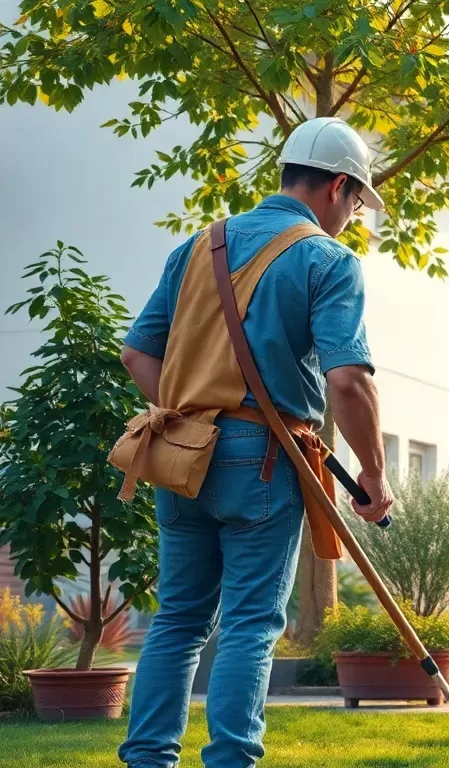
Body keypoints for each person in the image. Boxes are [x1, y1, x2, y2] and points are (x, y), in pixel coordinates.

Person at [117, 117, 394, 768]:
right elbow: (348, 381)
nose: (353, 216)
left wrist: (187, 414)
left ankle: (147, 761)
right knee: (249, 623)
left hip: (180, 454)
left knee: (178, 620)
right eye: (357, 201)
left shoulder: (196, 247)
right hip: (262, 460)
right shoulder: (327, 259)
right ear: (337, 187)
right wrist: (374, 474)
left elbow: (137, 354)